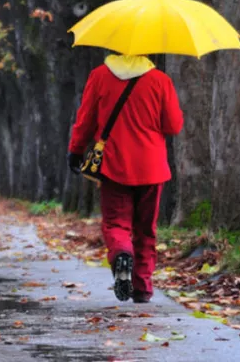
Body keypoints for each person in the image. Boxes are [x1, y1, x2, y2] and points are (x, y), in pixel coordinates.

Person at [67, 54, 183, 303]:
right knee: (146, 229)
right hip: (151, 167)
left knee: (116, 223)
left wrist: (76, 150)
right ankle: (142, 287)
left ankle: (121, 253)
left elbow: (85, 119)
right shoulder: (160, 80)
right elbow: (173, 125)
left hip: (113, 163)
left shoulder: (99, 76)